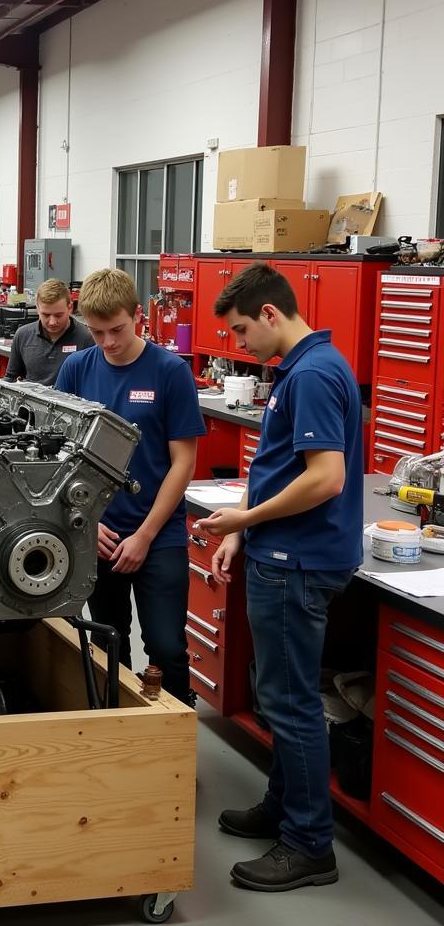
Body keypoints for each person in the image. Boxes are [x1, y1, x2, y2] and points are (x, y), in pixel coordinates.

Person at [197, 262, 362, 892]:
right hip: (280, 551)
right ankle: (282, 807)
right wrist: (243, 531)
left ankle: (309, 844)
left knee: (288, 705)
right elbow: (280, 468)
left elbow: (326, 478)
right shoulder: (303, 369)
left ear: (270, 313)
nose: (239, 347)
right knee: (279, 693)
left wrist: (247, 517)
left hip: (297, 562)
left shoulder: (314, 374)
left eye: (241, 332)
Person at [54, 269, 204, 707]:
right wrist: (87, 522)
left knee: (167, 645)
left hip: (158, 535)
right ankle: (114, 733)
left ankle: (174, 742)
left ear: (139, 315)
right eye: (97, 332)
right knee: (108, 639)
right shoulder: (76, 369)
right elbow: (62, 455)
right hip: (97, 534)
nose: (108, 343)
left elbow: (183, 463)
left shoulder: (170, 372)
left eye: (117, 329)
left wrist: (146, 535)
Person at [4, 278, 93, 386]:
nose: (52, 322)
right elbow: (10, 379)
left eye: (58, 315)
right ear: (37, 308)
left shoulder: (87, 338)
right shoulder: (23, 335)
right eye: (46, 315)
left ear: (70, 307)